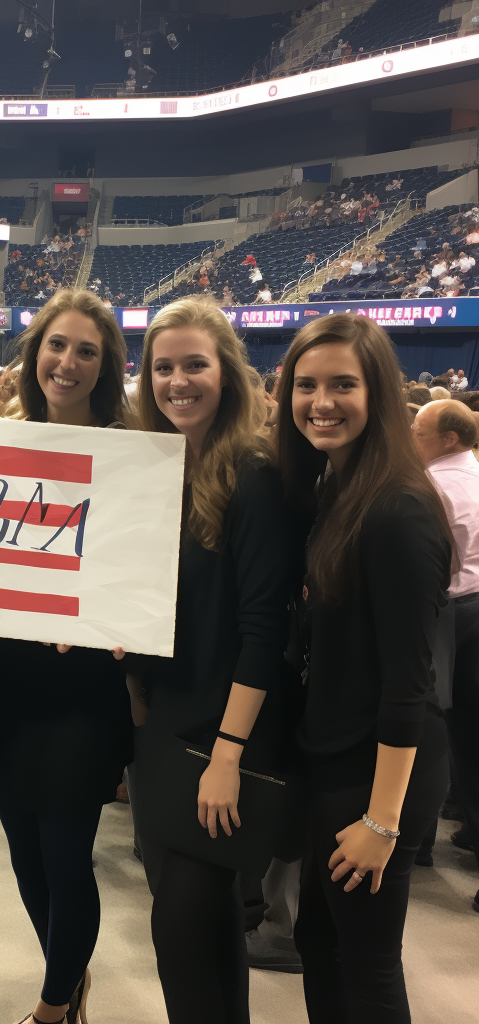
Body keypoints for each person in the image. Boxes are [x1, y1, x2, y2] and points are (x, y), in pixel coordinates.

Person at [273, 313, 452, 1022]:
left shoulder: (398, 510)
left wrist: (382, 821)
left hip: (377, 774)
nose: (322, 401)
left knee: (368, 969)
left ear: (378, 392)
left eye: (343, 384)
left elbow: (411, 685)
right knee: (322, 943)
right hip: (337, 761)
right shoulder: (337, 491)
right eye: (307, 385)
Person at [130, 296, 295, 1024]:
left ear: (227, 372)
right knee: (207, 925)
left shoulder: (254, 477)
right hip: (165, 731)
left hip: (222, 736)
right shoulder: (157, 470)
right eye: (162, 368)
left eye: (194, 365)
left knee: (179, 932)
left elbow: (265, 632)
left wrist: (228, 754)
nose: (177, 382)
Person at [0, 290, 132, 1024]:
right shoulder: (0, 440)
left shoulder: (133, 451)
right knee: (23, 857)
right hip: (9, 688)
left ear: (105, 366)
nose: (67, 363)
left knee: (64, 856)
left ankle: (51, 1011)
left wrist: (102, 612)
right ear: (33, 351)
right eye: (56, 345)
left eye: (86, 351)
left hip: (85, 690)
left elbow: (149, 571)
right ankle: (69, 985)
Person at [412, 400, 479, 909]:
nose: (412, 439)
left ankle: (415, 841)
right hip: (471, 606)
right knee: (465, 729)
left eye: (419, 431)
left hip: (454, 612)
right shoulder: (472, 472)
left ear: (449, 438)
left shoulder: (435, 487)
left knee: (434, 720)